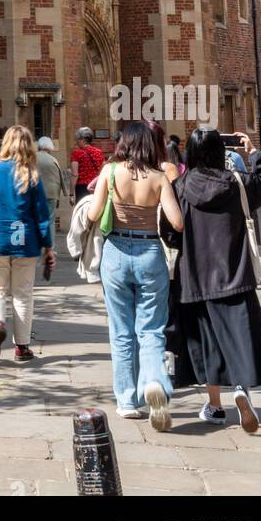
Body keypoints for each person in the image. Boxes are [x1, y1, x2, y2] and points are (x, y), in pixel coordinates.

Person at [166, 127, 261, 432]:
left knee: (208, 343)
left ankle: (215, 407)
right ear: (221, 151)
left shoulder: (180, 186)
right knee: (239, 336)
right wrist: (254, 151)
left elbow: (169, 231)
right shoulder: (236, 183)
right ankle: (242, 390)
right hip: (235, 273)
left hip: (194, 276)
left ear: (189, 152)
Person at [87, 122, 183, 428]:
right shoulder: (158, 177)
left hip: (115, 251)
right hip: (149, 252)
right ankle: (154, 381)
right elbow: (178, 223)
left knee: (121, 330)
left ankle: (127, 401)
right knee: (152, 328)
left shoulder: (110, 171)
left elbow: (93, 214)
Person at [0, 126, 55, 363]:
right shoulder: (31, 174)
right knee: (22, 294)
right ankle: (22, 347)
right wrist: (48, 246)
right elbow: (41, 214)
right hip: (26, 240)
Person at [36, 135, 65, 231]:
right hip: (52, 194)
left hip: (36, 193)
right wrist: (61, 195)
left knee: (37, 218)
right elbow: (59, 179)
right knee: (50, 220)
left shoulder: (32, 158)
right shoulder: (53, 160)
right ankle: (50, 244)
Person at [69, 126, 105, 204]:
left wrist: (71, 194)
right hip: (96, 186)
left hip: (82, 187)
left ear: (83, 140)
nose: (77, 142)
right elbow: (102, 172)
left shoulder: (76, 153)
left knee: (82, 212)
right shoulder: (99, 152)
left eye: (78, 139)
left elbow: (74, 175)